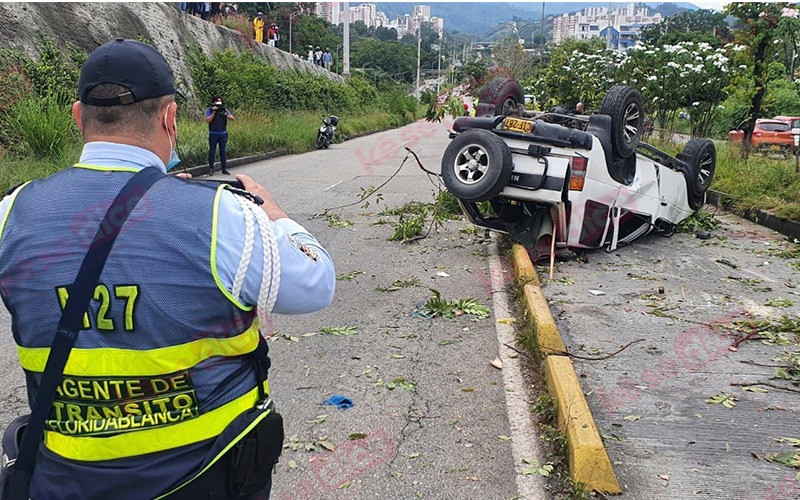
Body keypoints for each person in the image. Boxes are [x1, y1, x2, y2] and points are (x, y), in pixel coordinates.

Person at [0, 39, 335, 499]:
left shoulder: (12, 212)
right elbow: (315, 284)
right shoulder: (223, 216)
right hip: (206, 478)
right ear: (170, 118)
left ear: (78, 117)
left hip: (62, 482)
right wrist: (273, 214)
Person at [205, 95, 234, 175]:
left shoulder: (224, 110)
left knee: (223, 152)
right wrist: (214, 112)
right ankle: (211, 169)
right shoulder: (209, 110)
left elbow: (232, 118)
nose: (219, 103)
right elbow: (208, 120)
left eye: (220, 101)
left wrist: (226, 115)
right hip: (213, 133)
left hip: (223, 133)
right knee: (212, 152)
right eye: (217, 101)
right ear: (214, 102)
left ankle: (224, 169)